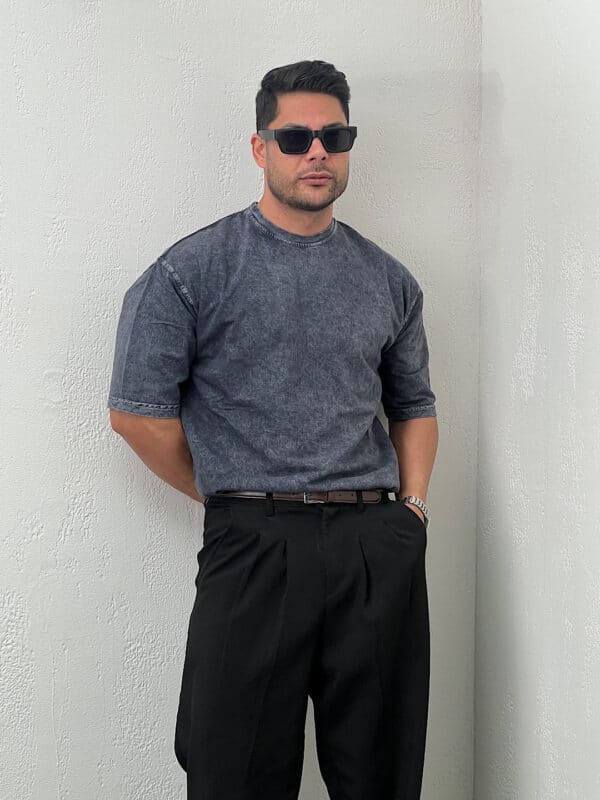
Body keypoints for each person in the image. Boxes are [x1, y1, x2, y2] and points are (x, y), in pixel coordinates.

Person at [107, 59, 438, 800]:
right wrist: (227, 495)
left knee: (381, 773)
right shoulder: (190, 271)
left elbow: (414, 405)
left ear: (348, 145)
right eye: (295, 137)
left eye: (333, 136)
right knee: (234, 771)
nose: (316, 152)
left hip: (374, 548)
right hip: (252, 548)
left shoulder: (389, 279)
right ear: (261, 148)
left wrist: (411, 511)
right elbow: (134, 413)